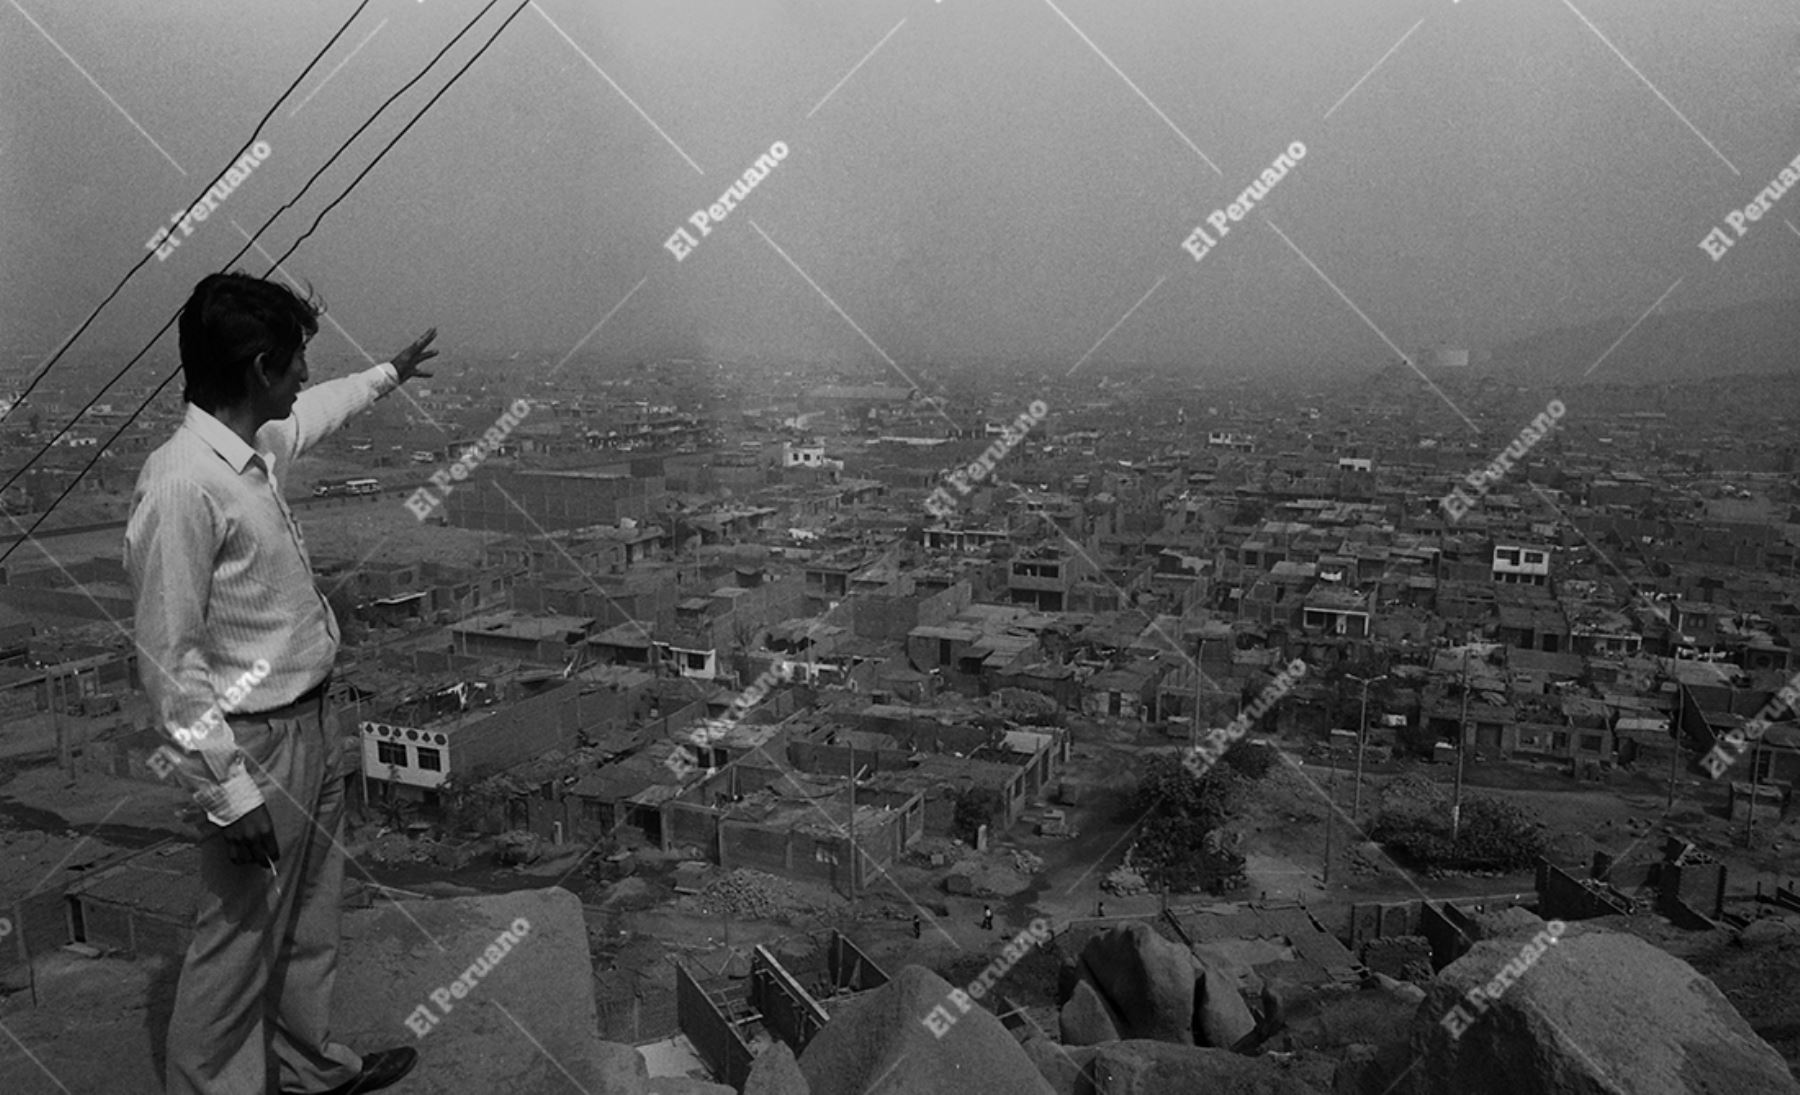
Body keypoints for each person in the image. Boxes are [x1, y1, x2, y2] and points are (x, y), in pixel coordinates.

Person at [127, 272, 437, 1095]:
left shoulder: (252, 448)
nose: (304, 376)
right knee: (234, 951)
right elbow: (169, 658)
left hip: (310, 723)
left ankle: (310, 1070)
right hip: (255, 746)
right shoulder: (183, 483)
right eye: (295, 360)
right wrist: (229, 792)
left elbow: (319, 410)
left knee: (307, 921)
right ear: (262, 365)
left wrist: (388, 376)